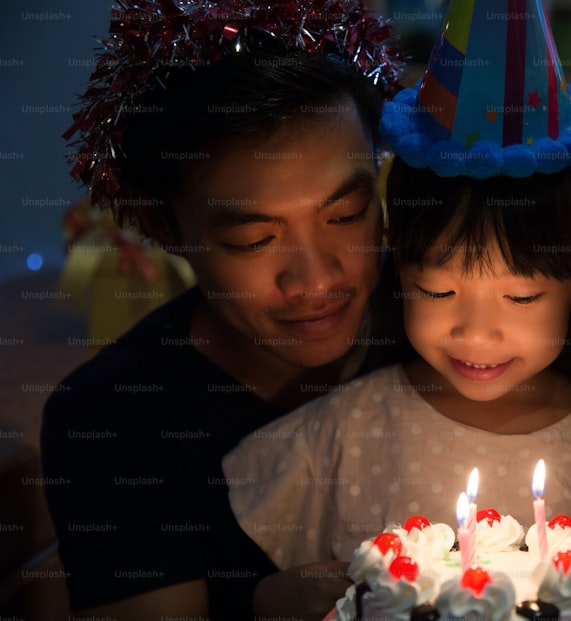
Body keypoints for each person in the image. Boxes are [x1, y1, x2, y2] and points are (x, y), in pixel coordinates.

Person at [222, 1, 571, 618]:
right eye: (438, 292)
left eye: (520, 296)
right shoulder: (342, 434)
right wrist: (269, 601)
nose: (476, 332)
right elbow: (274, 594)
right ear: (398, 268)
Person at [41, 1, 402, 618]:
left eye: (345, 215)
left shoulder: (458, 321)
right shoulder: (113, 418)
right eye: (251, 240)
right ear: (164, 226)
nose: (315, 278)